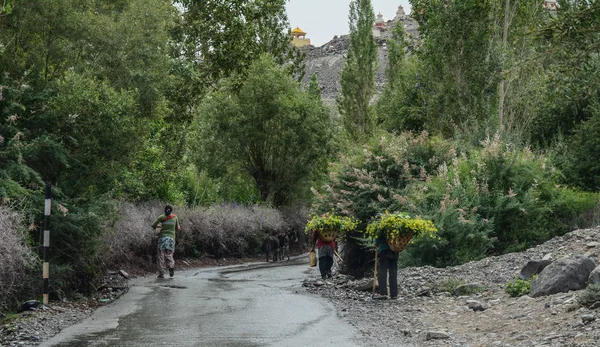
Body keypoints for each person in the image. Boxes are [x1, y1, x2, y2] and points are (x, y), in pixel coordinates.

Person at [152, 205, 181, 278]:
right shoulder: (175, 217)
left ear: (164, 210)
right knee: (169, 254)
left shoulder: (161, 217)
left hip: (162, 239)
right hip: (171, 239)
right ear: (171, 210)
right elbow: (177, 228)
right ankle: (171, 266)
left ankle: (161, 274)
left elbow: (153, 225)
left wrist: (159, 227)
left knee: (161, 256)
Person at [375, 231, 399, 299]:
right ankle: (394, 294)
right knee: (393, 273)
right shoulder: (395, 227)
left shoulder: (382, 227)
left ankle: (383, 293)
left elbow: (377, 239)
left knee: (382, 271)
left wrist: (376, 243)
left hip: (384, 250)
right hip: (395, 250)